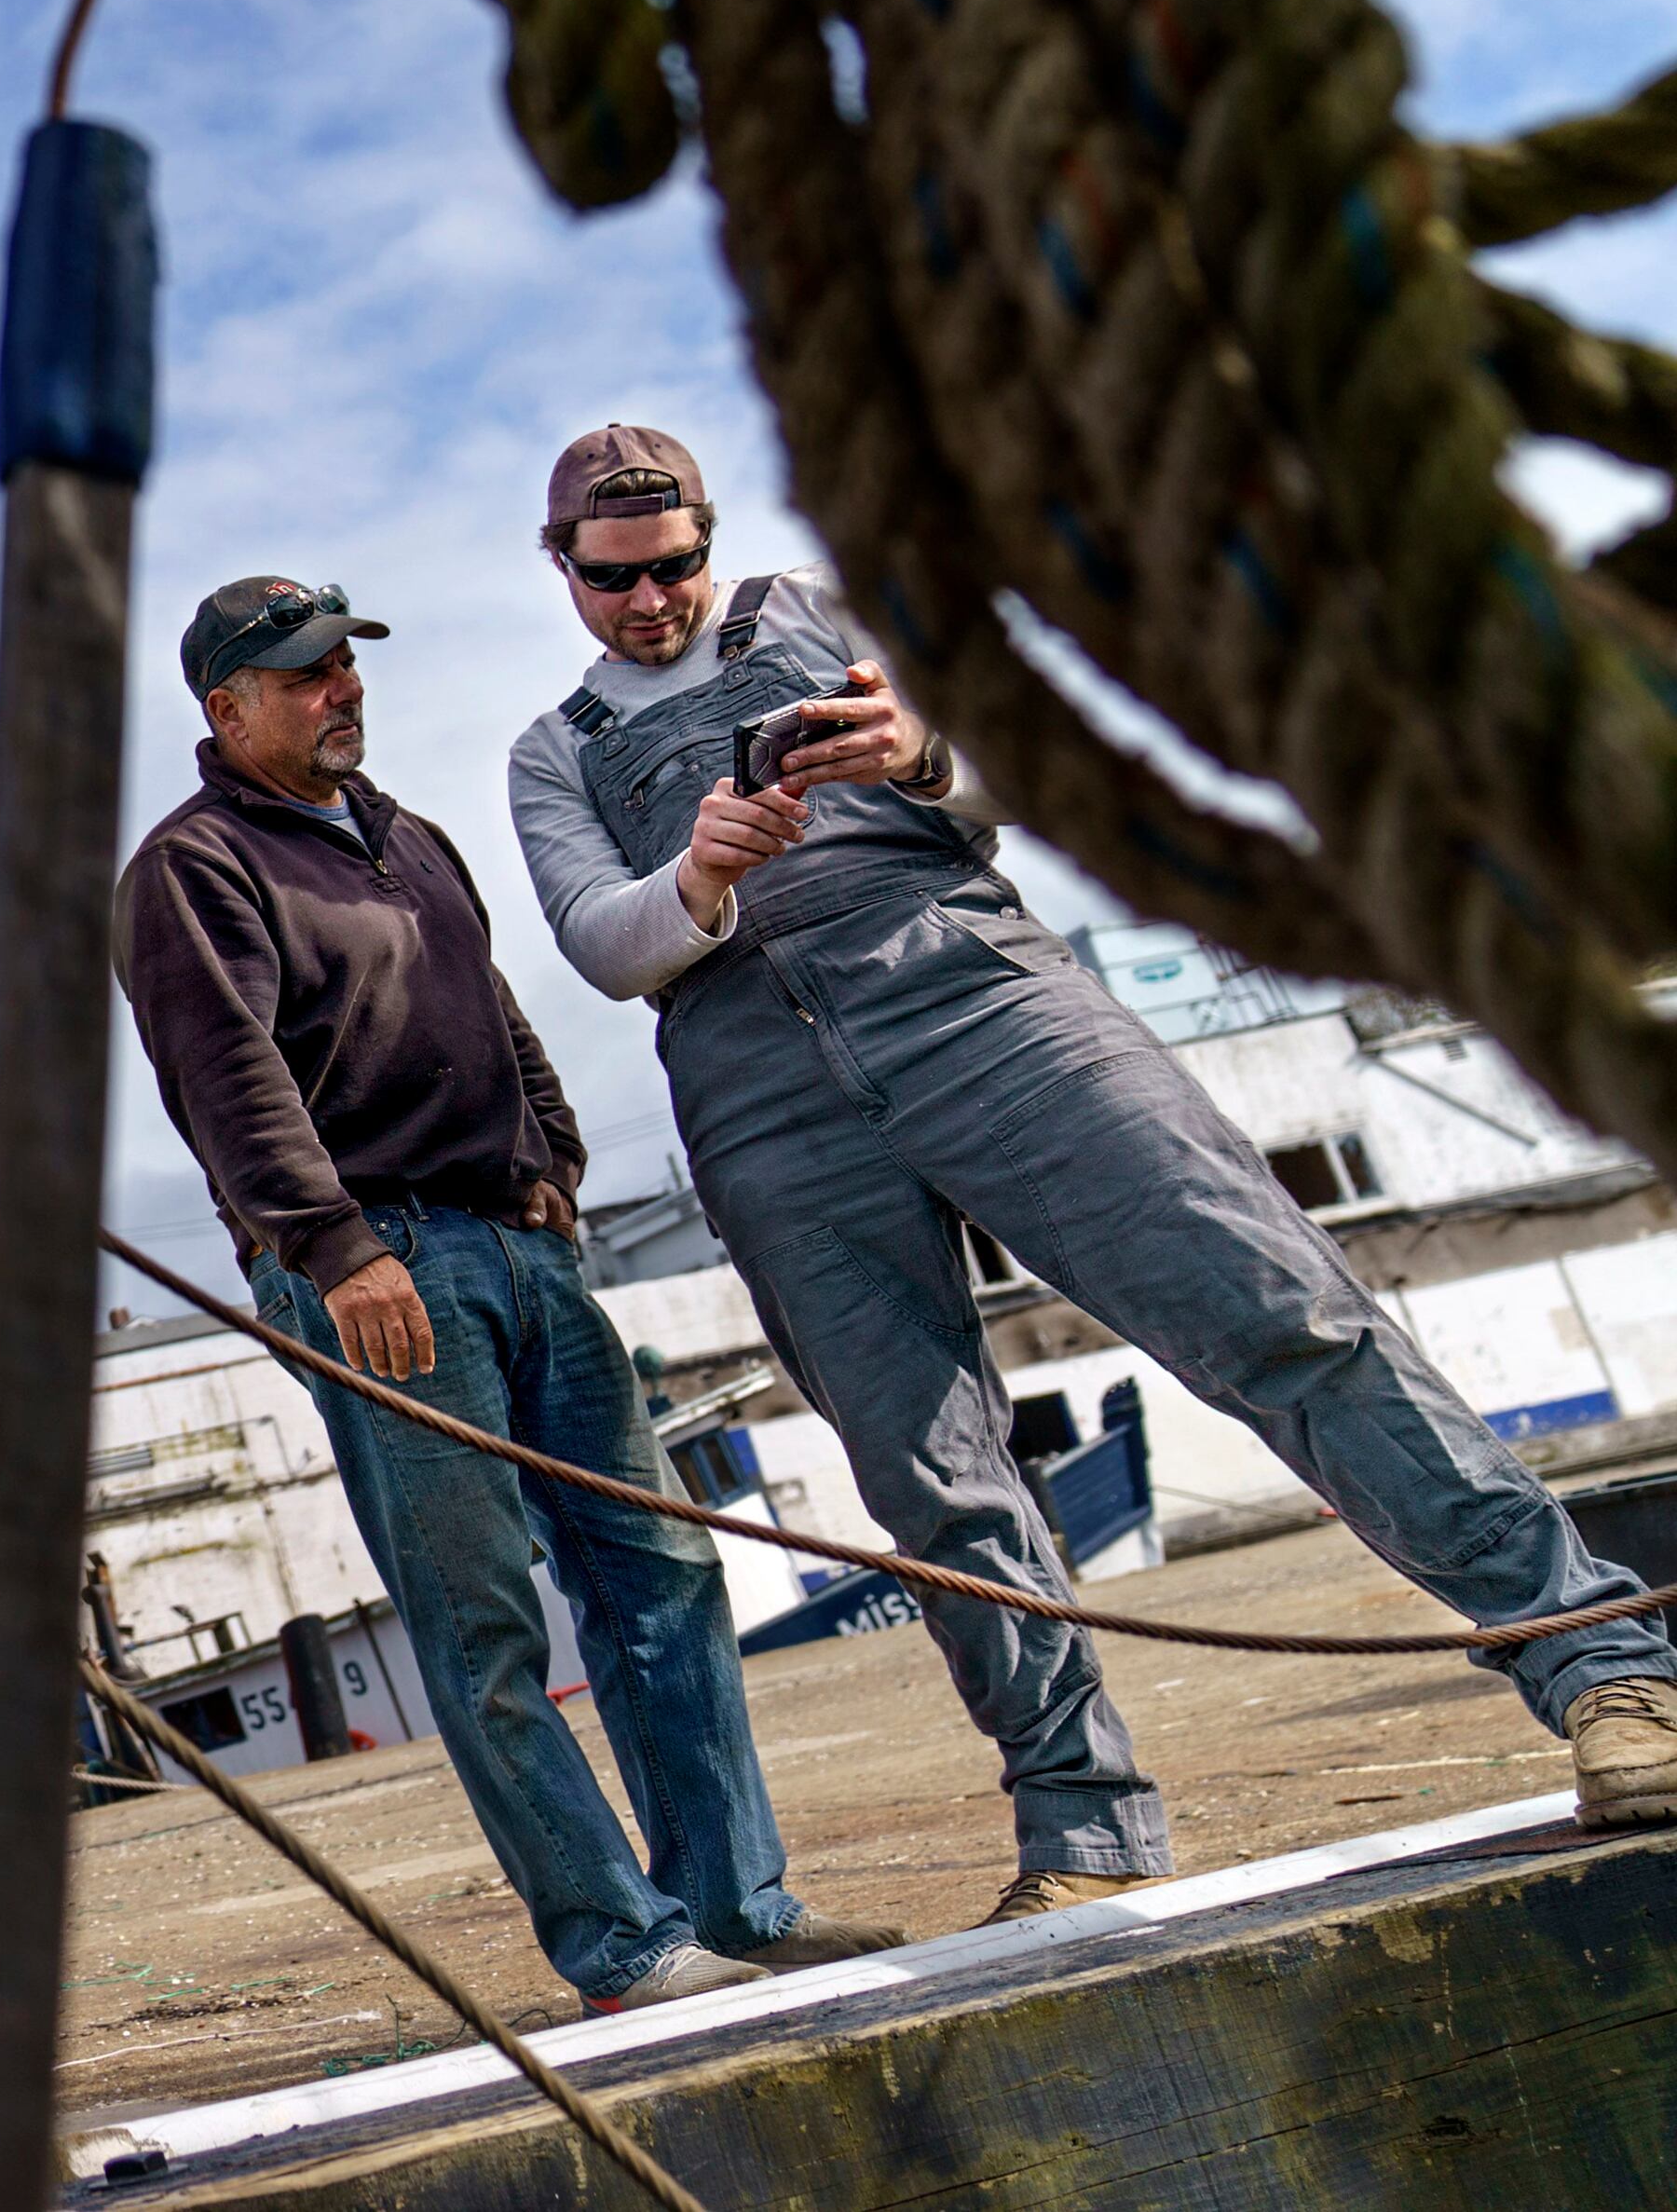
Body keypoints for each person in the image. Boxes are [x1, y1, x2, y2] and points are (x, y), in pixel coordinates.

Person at [503, 423, 1677, 1918]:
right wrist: (700, 870)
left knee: (1277, 1306)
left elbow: (1025, 777)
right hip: (750, 1074)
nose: (650, 602)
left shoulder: (835, 609)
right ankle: (1083, 1829)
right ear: (565, 568)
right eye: (613, 582)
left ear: (708, 537)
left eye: (672, 566)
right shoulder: (558, 751)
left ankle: (1609, 1672)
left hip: (972, 988)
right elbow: (604, 943)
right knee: (933, 1481)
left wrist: (918, 752)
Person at [117, 575, 901, 2013]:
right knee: (481, 1625)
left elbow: (495, 1007)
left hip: (517, 1239)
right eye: (305, 675)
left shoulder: (406, 835)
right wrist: (337, 1251)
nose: (342, 689)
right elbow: (225, 1077)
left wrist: (554, 1165)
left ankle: (738, 1904)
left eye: (348, 662)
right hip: (381, 1267)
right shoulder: (193, 865)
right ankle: (622, 1942)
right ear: (226, 709)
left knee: (657, 1568)